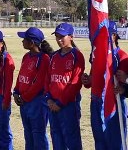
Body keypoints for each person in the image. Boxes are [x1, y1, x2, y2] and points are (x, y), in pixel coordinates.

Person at [85, 20, 128, 149]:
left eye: (105, 36)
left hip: (114, 104)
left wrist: (123, 87)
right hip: (97, 103)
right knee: (100, 141)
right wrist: (88, 81)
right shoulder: (98, 56)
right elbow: (93, 80)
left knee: (115, 142)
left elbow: (125, 87)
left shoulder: (122, 56)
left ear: (114, 36)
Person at [45, 23, 84, 150]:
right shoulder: (54, 56)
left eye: (62, 37)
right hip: (52, 104)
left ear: (71, 37)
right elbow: (48, 79)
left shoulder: (76, 55)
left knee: (72, 140)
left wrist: (60, 103)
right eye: (57, 36)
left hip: (68, 105)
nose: (59, 40)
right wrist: (49, 98)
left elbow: (75, 83)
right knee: (56, 137)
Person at [13, 27, 53, 150]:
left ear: (32, 43)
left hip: (37, 102)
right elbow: (21, 76)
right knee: (28, 133)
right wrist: (16, 92)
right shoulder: (26, 56)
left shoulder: (44, 59)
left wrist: (24, 97)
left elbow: (39, 83)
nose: (22, 42)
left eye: (24, 39)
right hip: (24, 102)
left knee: (38, 134)